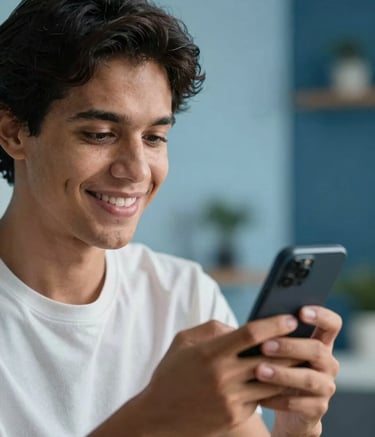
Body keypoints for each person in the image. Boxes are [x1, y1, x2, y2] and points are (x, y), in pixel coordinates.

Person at [0, 0, 341, 436]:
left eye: (155, 137)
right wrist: (156, 417)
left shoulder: (185, 297)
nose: (138, 170)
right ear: (13, 132)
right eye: (100, 135)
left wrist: (298, 427)